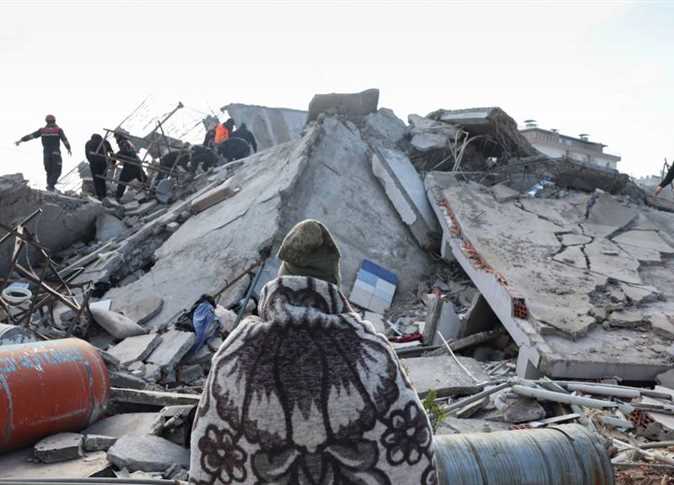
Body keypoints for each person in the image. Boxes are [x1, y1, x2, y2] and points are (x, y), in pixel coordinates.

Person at [189, 220, 437, 485]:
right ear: (334, 285)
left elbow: (208, 448)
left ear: (280, 280)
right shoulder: (370, 344)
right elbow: (415, 443)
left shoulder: (236, 348)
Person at [15, 114, 72, 191]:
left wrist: (20, 140)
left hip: (46, 154)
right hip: (56, 153)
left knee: (49, 170)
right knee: (57, 170)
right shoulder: (58, 130)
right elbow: (65, 140)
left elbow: (31, 136)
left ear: (46, 121)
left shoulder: (42, 130)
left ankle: (50, 187)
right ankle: (51, 186)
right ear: (54, 121)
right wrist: (68, 148)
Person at [114, 131, 147, 200]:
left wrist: (116, 155)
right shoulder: (127, 142)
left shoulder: (123, 142)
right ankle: (150, 190)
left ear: (118, 137)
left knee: (122, 179)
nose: (116, 139)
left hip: (131, 165)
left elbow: (125, 152)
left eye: (116, 137)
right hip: (136, 163)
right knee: (143, 178)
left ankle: (118, 196)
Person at [85, 134, 113, 200]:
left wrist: (91, 161)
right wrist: (113, 163)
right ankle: (104, 195)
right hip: (104, 163)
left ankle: (99, 195)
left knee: (96, 180)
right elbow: (111, 153)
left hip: (94, 164)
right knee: (102, 179)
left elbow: (87, 154)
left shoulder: (89, 143)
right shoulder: (105, 142)